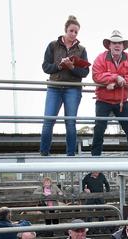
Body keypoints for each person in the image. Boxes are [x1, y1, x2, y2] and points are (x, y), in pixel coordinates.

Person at [40, 15, 89, 157]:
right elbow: (45, 67)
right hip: (54, 87)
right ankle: (44, 152)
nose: (73, 34)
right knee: (49, 120)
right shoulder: (53, 45)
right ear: (65, 30)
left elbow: (85, 72)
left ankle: (71, 154)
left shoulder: (82, 49)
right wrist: (59, 66)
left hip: (73, 89)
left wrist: (72, 66)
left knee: (70, 122)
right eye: (71, 31)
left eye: (76, 32)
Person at [91, 30, 128, 157]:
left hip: (121, 100)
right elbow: (96, 76)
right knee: (99, 128)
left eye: (119, 43)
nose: (117, 45)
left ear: (123, 46)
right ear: (109, 45)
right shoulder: (100, 58)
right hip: (103, 100)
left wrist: (116, 82)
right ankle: (95, 156)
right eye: (114, 43)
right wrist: (116, 77)